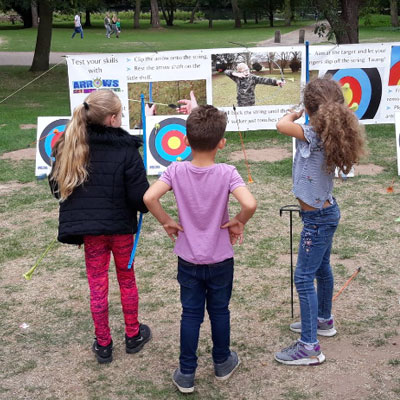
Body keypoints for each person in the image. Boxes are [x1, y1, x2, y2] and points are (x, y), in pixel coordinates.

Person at [143, 98, 257, 393]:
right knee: (220, 311)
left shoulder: (176, 170)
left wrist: (167, 221)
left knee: (190, 314)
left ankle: (186, 373)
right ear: (222, 143)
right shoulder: (228, 172)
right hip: (220, 260)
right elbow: (250, 203)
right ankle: (222, 362)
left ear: (184, 140)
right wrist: (238, 221)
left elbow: (149, 198)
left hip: (188, 258)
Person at [49, 90, 152, 364]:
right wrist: (143, 202)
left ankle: (104, 342)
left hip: (94, 233)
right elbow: (139, 196)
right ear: (113, 118)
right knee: (126, 280)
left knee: (98, 284)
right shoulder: (121, 148)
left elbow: (55, 188)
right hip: (119, 229)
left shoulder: (69, 144)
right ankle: (132, 334)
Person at [274, 78, 366, 366]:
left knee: (303, 277)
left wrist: (295, 113)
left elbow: (280, 124)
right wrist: (307, 111)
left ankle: (309, 346)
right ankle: (323, 320)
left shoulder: (312, 132)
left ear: (311, 109)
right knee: (321, 268)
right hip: (323, 214)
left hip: (317, 219)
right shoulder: (327, 132)